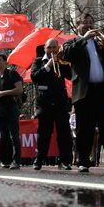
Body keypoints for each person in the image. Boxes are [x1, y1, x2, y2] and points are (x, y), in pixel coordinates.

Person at [61, 13, 104, 172]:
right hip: (84, 92)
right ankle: (83, 161)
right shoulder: (72, 42)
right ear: (78, 26)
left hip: (103, 90)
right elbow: (67, 55)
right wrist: (84, 39)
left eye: (91, 22)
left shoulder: (100, 42)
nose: (89, 26)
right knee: (85, 128)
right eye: (85, 23)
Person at [30, 39, 73, 170]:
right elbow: (34, 77)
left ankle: (65, 160)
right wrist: (48, 65)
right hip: (44, 103)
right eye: (50, 47)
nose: (52, 50)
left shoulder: (61, 60)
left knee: (64, 132)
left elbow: (70, 76)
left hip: (60, 102)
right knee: (44, 133)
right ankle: (39, 159)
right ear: (45, 48)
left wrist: (63, 63)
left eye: (55, 47)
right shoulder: (38, 61)